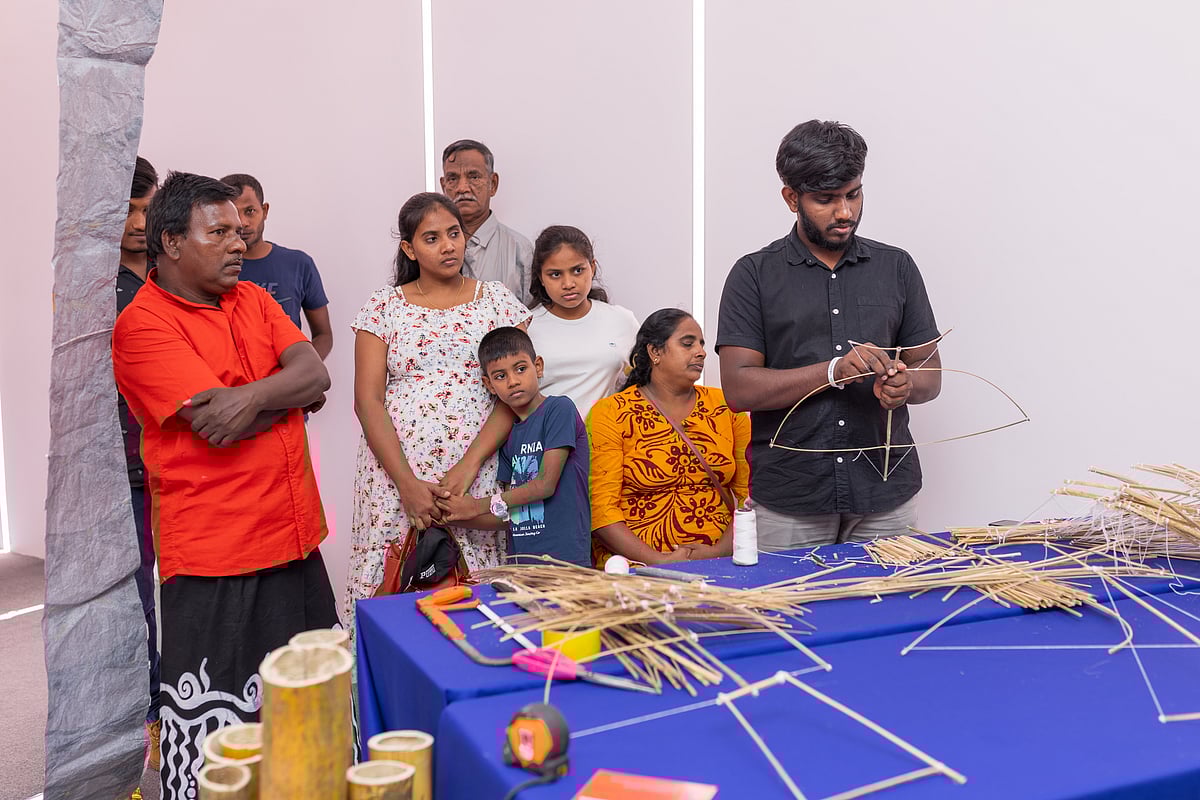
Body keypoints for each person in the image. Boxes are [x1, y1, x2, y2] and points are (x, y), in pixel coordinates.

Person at [112, 171, 339, 800]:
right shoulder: (142, 326)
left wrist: (255, 398)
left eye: (240, 231)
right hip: (217, 556)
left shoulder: (256, 300)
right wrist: (282, 397)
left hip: (295, 538)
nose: (239, 243)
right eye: (220, 232)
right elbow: (215, 426)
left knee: (314, 715)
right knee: (220, 742)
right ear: (172, 243)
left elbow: (312, 373)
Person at [716, 120, 942, 550]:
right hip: (791, 498)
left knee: (889, 611)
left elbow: (930, 375)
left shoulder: (896, 267)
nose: (845, 212)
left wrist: (904, 384)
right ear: (791, 198)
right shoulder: (754, 275)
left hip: (886, 494)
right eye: (826, 199)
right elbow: (739, 388)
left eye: (853, 194)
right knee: (792, 617)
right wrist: (834, 371)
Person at [345, 193, 531, 621]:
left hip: (477, 470)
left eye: (455, 234)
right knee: (392, 587)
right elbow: (367, 401)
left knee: (477, 594)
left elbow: (516, 393)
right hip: (394, 475)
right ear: (410, 248)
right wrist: (407, 484)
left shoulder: (496, 302)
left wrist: (469, 466)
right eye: (432, 238)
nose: (448, 245)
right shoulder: (383, 307)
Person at [589, 309, 750, 567]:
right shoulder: (611, 412)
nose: (701, 351)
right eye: (688, 344)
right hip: (638, 567)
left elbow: (748, 497)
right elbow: (602, 511)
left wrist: (718, 551)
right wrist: (658, 561)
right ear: (655, 352)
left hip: (722, 560)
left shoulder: (727, 406)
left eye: (701, 344)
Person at [436, 327, 591, 567]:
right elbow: (508, 513)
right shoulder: (509, 436)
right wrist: (456, 515)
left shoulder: (559, 410)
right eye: (500, 376)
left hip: (565, 559)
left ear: (537, 366)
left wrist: (476, 505)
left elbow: (545, 484)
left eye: (521, 369)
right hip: (521, 564)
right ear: (488, 384)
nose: (513, 381)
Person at [114, 154, 161, 767]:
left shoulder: (175, 269)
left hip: (184, 455)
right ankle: (147, 713)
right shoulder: (92, 282)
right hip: (121, 459)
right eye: (125, 210)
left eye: (145, 209)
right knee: (135, 594)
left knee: (188, 588)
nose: (135, 223)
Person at [526, 225, 640, 416]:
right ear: (541, 277)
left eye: (577, 270)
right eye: (555, 274)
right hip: (547, 441)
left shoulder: (621, 320)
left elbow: (646, 381)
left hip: (605, 440)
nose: (568, 284)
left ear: (592, 267)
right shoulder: (527, 327)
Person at [220, 172, 333, 359]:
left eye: (250, 211)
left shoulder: (298, 263)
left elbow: (323, 334)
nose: (243, 222)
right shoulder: (210, 269)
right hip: (235, 383)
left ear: (264, 211)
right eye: (233, 212)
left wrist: (303, 371)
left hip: (289, 379)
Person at [440, 139, 534, 305]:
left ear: (493, 184)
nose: (462, 188)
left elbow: (532, 319)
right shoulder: (428, 248)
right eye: (453, 178)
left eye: (474, 177)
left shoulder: (519, 250)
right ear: (443, 186)